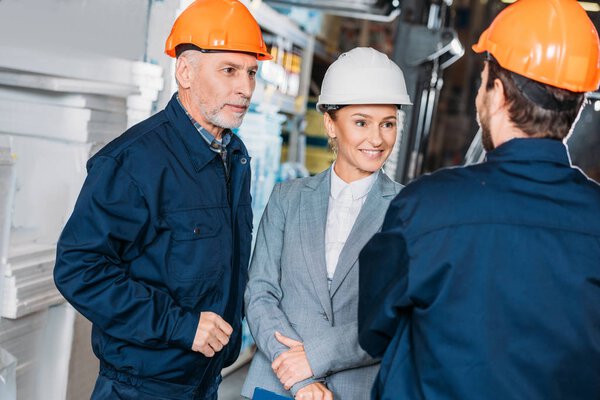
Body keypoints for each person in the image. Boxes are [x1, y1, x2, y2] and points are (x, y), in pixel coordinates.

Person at [358, 0, 600, 399]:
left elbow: (372, 331)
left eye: (484, 76)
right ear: (574, 110)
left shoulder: (426, 209)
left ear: (497, 91)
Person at [53, 1, 272, 399]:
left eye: (251, 72)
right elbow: (78, 269)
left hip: (204, 380)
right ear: (185, 72)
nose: (246, 87)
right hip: (140, 387)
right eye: (229, 70)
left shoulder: (233, 157)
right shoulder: (134, 161)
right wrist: (181, 326)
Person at [242, 47, 412, 399]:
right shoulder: (288, 198)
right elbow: (260, 295)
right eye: (361, 122)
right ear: (330, 124)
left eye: (388, 124)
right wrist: (300, 379)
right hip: (279, 384)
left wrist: (316, 358)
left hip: (358, 390)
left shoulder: (410, 209)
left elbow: (397, 314)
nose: (377, 139)